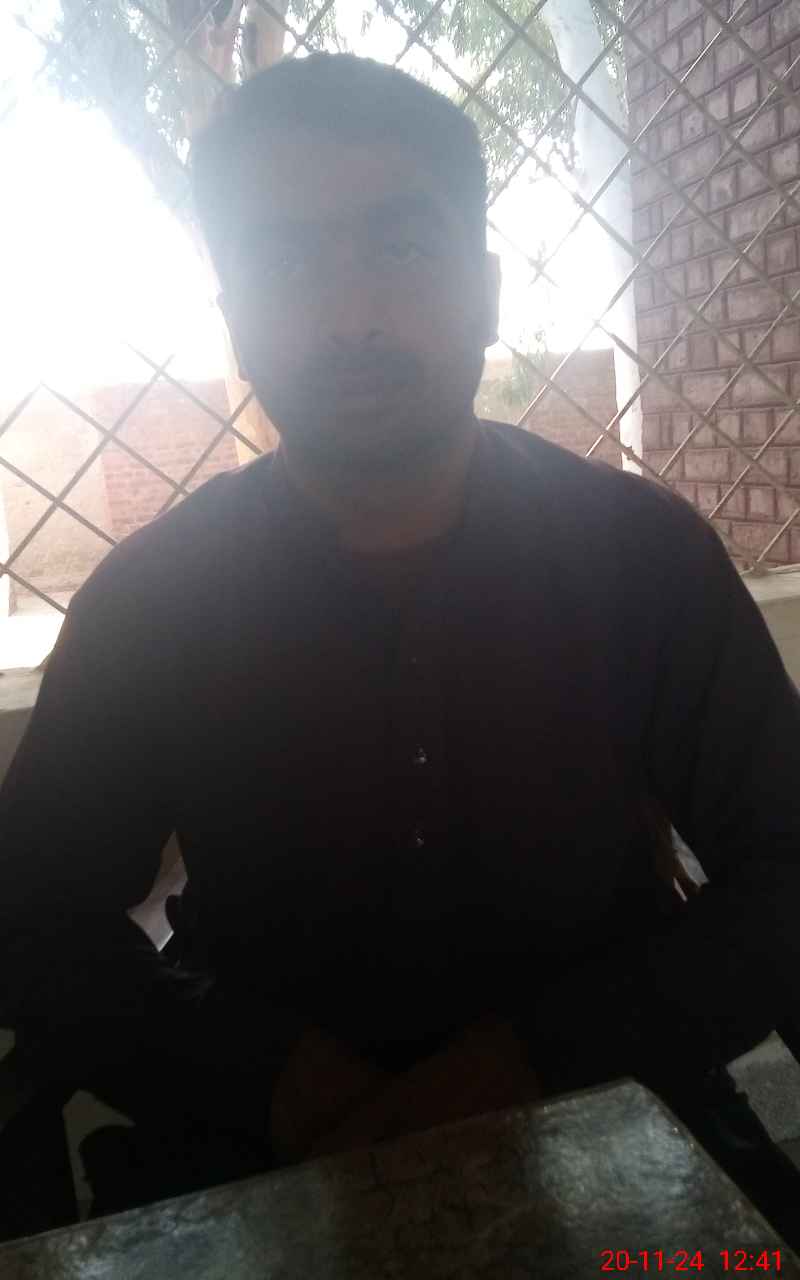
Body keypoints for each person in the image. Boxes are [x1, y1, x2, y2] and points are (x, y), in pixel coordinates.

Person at [2, 51, 800, 1243]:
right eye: (286, 262)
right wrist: (273, 1074)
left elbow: (785, 868)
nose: (350, 316)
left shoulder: (642, 557)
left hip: (629, 1127)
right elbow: (30, 914)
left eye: (403, 246)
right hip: (261, 1162)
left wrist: (531, 1060)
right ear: (234, 316)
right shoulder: (155, 600)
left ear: (484, 292)